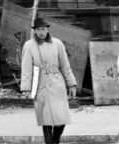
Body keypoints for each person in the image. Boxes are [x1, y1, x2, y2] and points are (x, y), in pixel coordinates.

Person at [20, 16, 77, 144]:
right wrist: (26, 88)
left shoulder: (57, 44)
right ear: (34, 31)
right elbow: (26, 68)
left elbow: (65, 65)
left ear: (47, 30)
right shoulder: (29, 46)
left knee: (61, 119)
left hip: (57, 84)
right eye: (39, 29)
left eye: (44, 29)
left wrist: (71, 84)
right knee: (45, 120)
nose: (41, 32)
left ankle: (55, 139)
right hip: (40, 85)